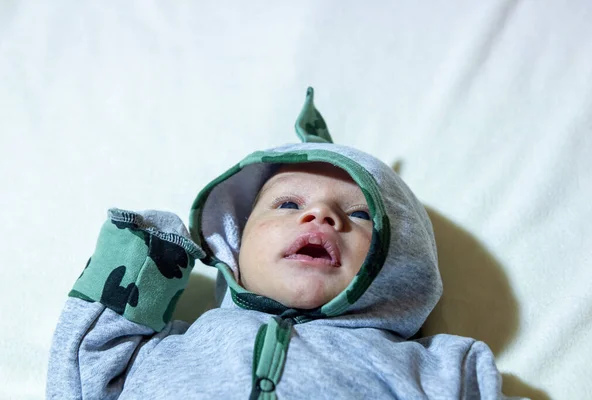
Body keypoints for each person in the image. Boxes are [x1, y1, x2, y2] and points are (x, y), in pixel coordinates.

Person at [47, 88, 521, 399]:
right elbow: (80, 379)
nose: (321, 216)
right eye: (288, 204)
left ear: (400, 261)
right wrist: (143, 259)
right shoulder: (168, 351)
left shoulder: (434, 368)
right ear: (236, 242)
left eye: (359, 214)